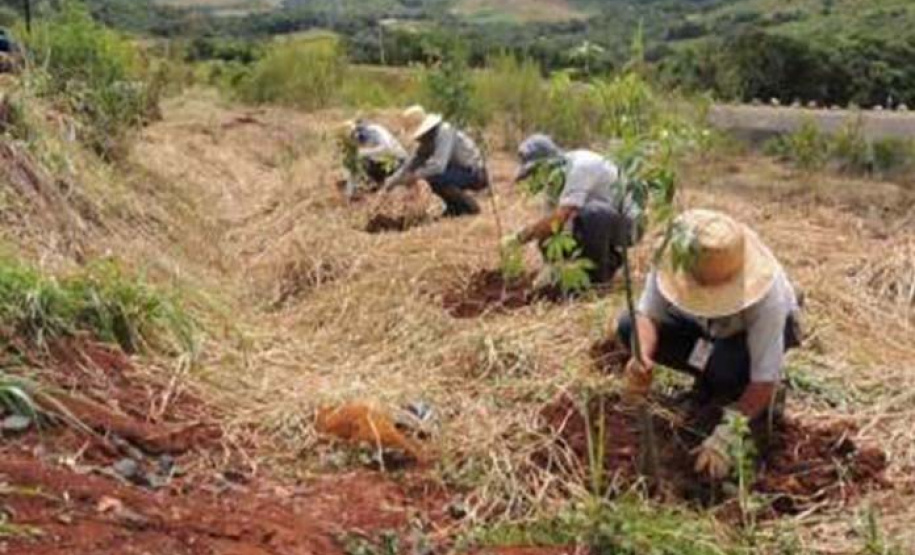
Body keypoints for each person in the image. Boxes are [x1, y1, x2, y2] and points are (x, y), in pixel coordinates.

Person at [616, 209, 802, 480]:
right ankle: (708, 383)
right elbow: (647, 314)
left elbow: (764, 379)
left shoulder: (768, 299)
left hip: (739, 338)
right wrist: (641, 357)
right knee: (627, 326)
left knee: (726, 368)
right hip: (699, 330)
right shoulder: (677, 258)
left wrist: (730, 431)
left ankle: (742, 396)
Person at [502, 134, 640, 287]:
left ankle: (598, 278)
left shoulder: (581, 167)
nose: (533, 178)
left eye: (534, 172)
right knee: (549, 234)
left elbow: (563, 215)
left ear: (548, 164)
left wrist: (520, 238)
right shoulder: (554, 183)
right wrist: (550, 269)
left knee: (593, 213)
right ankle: (608, 260)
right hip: (601, 225)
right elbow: (550, 226)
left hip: (629, 225)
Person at [384, 106, 489, 217]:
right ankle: (455, 208)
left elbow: (438, 166)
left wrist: (414, 176)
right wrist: (391, 182)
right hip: (457, 172)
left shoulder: (445, 132)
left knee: (431, 177)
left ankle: (468, 207)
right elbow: (410, 164)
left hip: (475, 173)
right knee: (429, 176)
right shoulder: (427, 141)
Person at [341, 119, 407, 199]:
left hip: (399, 162)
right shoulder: (358, 141)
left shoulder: (373, 131)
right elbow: (353, 169)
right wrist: (349, 191)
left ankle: (386, 186)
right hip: (383, 164)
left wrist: (364, 153)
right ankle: (379, 184)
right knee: (363, 162)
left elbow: (387, 148)